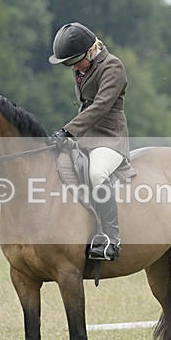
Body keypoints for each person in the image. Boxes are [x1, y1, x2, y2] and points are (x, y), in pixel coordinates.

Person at [47, 22, 130, 261]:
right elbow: (85, 106)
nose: (73, 68)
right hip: (85, 136)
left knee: (96, 174)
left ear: (90, 51)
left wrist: (68, 131)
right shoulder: (82, 67)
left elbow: (100, 106)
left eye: (74, 62)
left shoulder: (113, 66)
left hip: (110, 138)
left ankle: (112, 240)